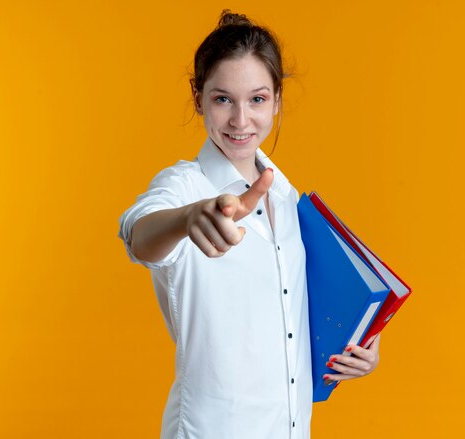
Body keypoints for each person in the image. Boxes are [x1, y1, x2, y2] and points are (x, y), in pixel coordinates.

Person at [118, 10, 381, 439]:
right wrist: (188, 218)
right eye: (223, 99)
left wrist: (358, 344)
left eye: (257, 99)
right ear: (198, 97)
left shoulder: (287, 196)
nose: (241, 121)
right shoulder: (183, 187)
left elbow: (293, 313)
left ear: (277, 99)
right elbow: (139, 235)